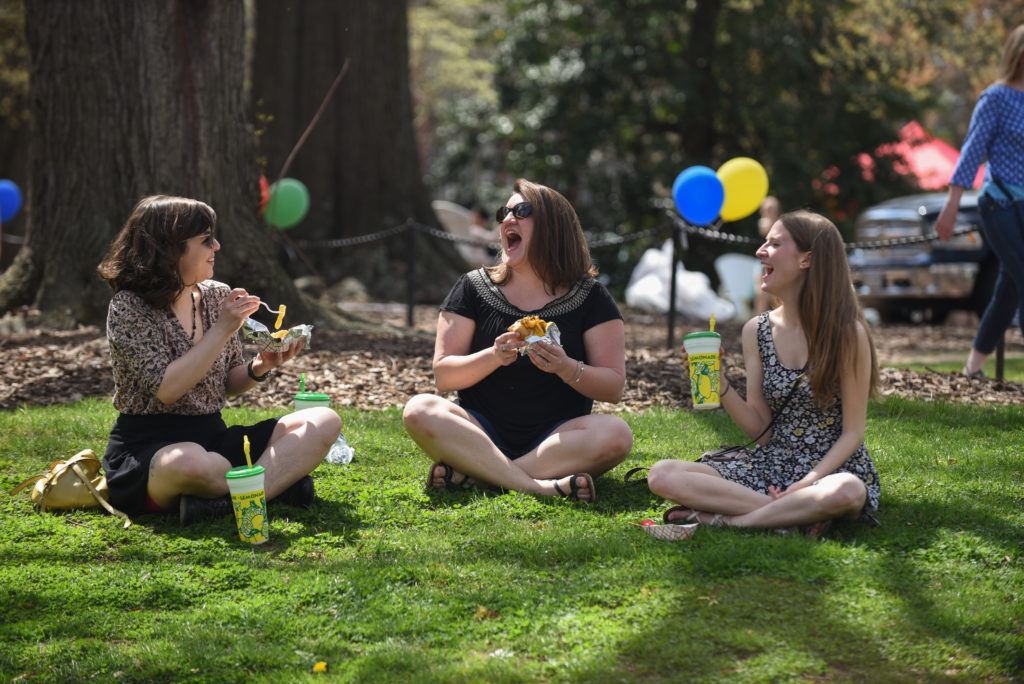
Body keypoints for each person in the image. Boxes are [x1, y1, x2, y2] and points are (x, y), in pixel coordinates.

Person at [96, 195, 342, 525]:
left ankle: (225, 503)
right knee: (190, 464)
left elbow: (227, 383)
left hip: (214, 436)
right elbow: (167, 390)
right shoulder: (129, 307)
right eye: (205, 240)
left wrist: (260, 366)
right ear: (171, 248)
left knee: (324, 421)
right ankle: (272, 485)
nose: (217, 246)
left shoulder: (215, 295)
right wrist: (224, 328)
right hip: (152, 446)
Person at [647, 211, 881, 536]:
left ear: (806, 259)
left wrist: (809, 481)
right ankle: (797, 515)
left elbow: (853, 434)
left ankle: (731, 519)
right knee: (662, 474)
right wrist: (720, 382)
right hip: (771, 461)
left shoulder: (847, 333)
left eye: (774, 244)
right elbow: (762, 431)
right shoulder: (756, 331)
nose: (760, 251)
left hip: (830, 469)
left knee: (848, 491)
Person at [403, 179, 633, 502]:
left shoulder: (592, 297)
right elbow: (443, 375)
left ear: (554, 226)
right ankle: (536, 487)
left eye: (521, 211)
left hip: (558, 440)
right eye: (503, 213)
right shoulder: (471, 287)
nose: (507, 220)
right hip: (479, 431)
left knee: (617, 435)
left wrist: (566, 368)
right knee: (419, 409)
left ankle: (482, 474)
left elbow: (613, 387)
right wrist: (494, 356)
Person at [935, 24, 1024, 378]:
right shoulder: (995, 97)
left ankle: (972, 369)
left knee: (1010, 287)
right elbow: (972, 152)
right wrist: (951, 205)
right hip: (997, 203)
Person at [753, 196, 781, 314]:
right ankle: (757, 326)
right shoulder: (762, 225)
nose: (768, 211)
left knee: (777, 296)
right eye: (766, 209)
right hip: (763, 266)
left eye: (771, 209)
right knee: (761, 294)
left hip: (778, 265)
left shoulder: (782, 227)